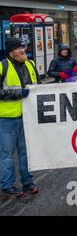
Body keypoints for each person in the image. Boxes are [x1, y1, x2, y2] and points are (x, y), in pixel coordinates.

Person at [0, 38, 39, 196]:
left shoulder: (31, 64)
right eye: (18, 48)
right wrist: (17, 94)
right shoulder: (2, 66)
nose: (23, 50)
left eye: (23, 47)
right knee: (7, 155)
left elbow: (38, 88)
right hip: (7, 118)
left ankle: (27, 182)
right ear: (11, 52)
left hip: (28, 117)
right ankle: (7, 184)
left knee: (26, 152)